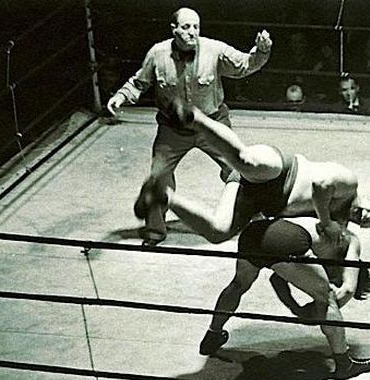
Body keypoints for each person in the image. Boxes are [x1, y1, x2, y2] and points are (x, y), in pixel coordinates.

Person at [106, 7, 273, 245]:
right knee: (158, 177)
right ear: (173, 30)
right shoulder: (157, 53)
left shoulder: (214, 50)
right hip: (172, 129)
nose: (192, 32)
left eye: (196, 27)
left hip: (213, 124)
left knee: (240, 168)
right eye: (186, 27)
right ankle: (155, 229)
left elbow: (245, 64)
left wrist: (262, 49)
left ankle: (255, 215)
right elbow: (139, 82)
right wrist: (120, 97)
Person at [139, 99, 370, 246]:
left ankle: (163, 196)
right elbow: (321, 185)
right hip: (282, 171)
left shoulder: (340, 225)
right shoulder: (350, 184)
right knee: (246, 161)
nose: (368, 216)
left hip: (262, 201)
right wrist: (326, 221)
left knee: (218, 233)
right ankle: (194, 118)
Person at [199, 216, 370, 380]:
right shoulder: (352, 243)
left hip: (254, 233)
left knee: (238, 285)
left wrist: (296, 309)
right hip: (287, 238)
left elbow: (277, 279)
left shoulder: (320, 249)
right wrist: (314, 311)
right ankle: (344, 364)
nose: (333, 279)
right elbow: (347, 290)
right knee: (326, 296)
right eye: (336, 278)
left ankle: (213, 334)